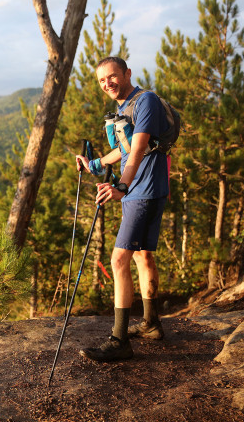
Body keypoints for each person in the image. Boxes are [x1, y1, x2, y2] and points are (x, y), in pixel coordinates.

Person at [75, 56, 169, 362]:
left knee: (118, 260)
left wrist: (123, 187)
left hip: (144, 189)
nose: (108, 84)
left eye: (112, 77)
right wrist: (96, 163)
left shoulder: (146, 102)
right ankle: (151, 324)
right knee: (142, 255)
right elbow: (125, 148)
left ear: (127, 73)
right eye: (102, 81)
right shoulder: (124, 108)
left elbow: (140, 146)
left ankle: (119, 341)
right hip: (140, 189)